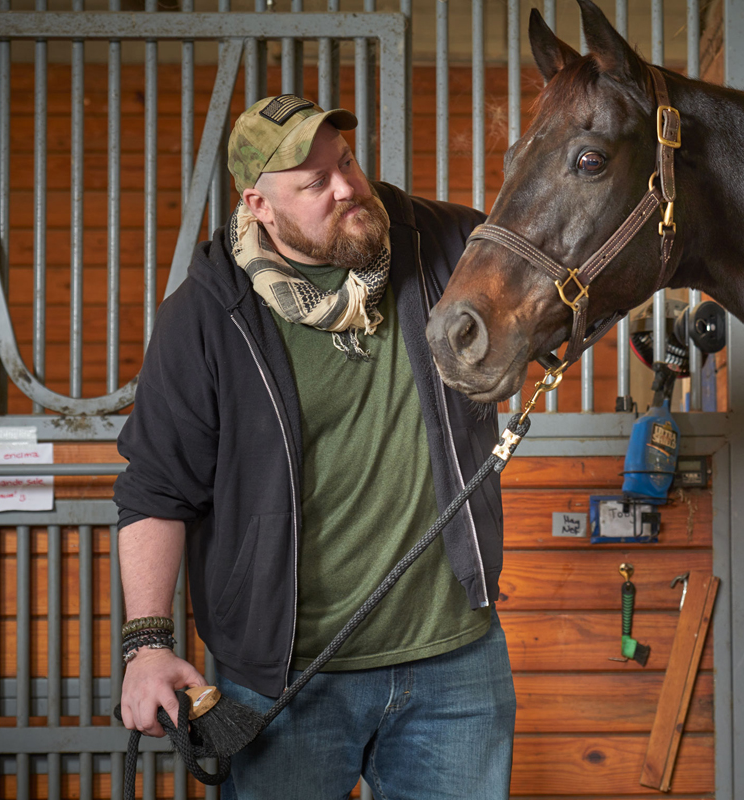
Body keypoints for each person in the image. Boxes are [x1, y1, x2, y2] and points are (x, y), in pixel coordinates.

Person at [113, 94, 514, 799]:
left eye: (348, 163)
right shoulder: (207, 314)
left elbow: (556, 269)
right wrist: (146, 644)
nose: (349, 188)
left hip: (454, 660)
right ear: (259, 206)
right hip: (283, 675)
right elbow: (156, 489)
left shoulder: (445, 245)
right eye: (314, 183)